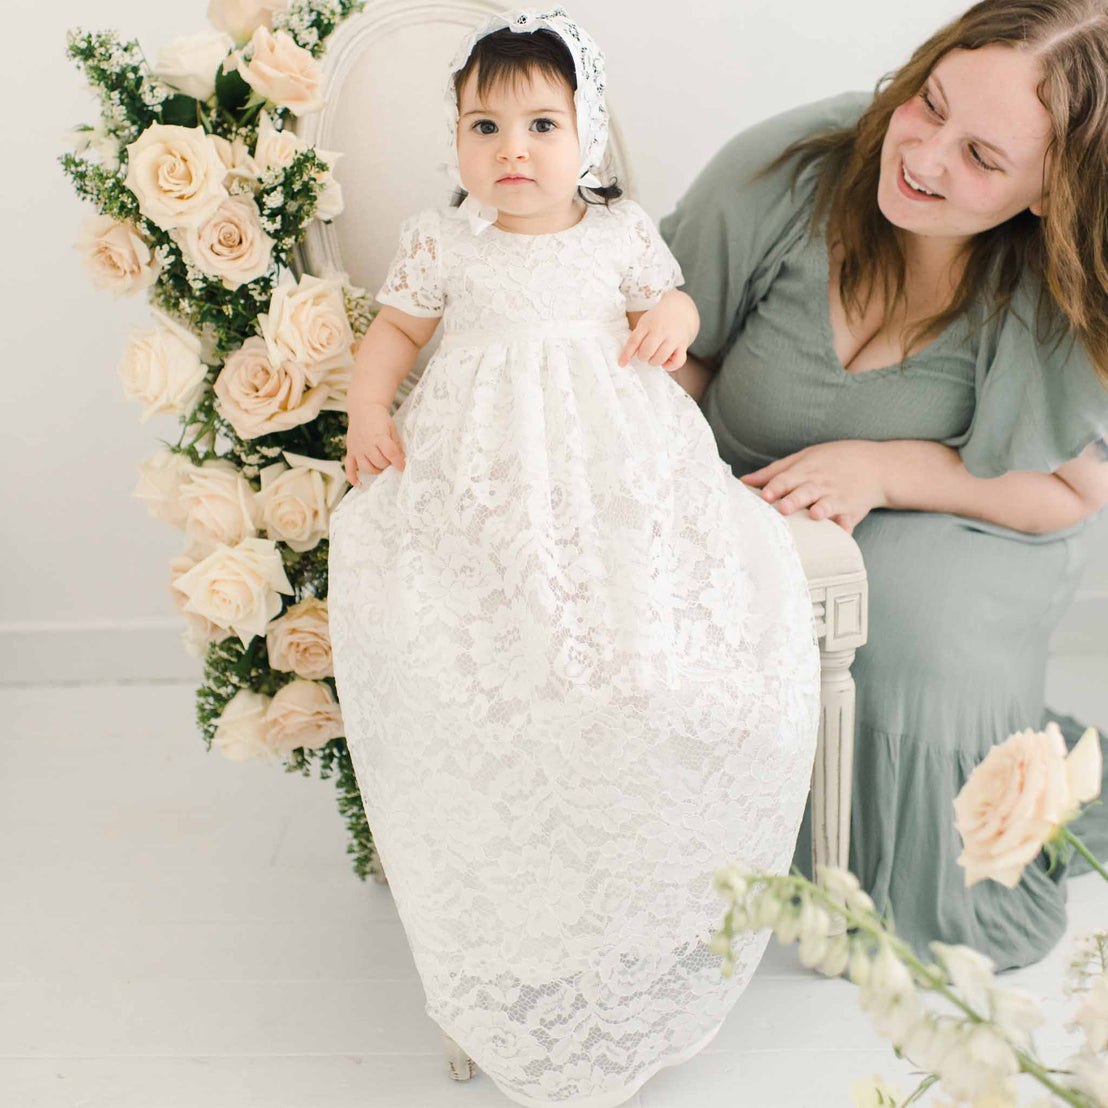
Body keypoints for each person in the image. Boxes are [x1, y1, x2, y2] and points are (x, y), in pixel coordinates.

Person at [326, 7, 821, 1105]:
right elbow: (398, 336)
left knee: (638, 623)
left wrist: (673, 322)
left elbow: (670, 300)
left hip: (611, 474)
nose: (513, 150)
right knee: (477, 626)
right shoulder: (444, 240)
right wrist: (368, 405)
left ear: (584, 138)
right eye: (485, 125)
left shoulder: (617, 233)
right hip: (487, 479)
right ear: (455, 139)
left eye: (542, 124)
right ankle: (506, 890)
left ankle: (639, 887)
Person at [659, 0, 1108, 973]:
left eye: (983, 158)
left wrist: (890, 469)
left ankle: (905, 899)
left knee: (910, 627)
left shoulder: (1053, 279)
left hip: (979, 517)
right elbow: (675, 354)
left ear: (1046, 191)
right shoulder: (784, 175)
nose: (927, 156)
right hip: (750, 498)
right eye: (929, 101)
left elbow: (1069, 493)